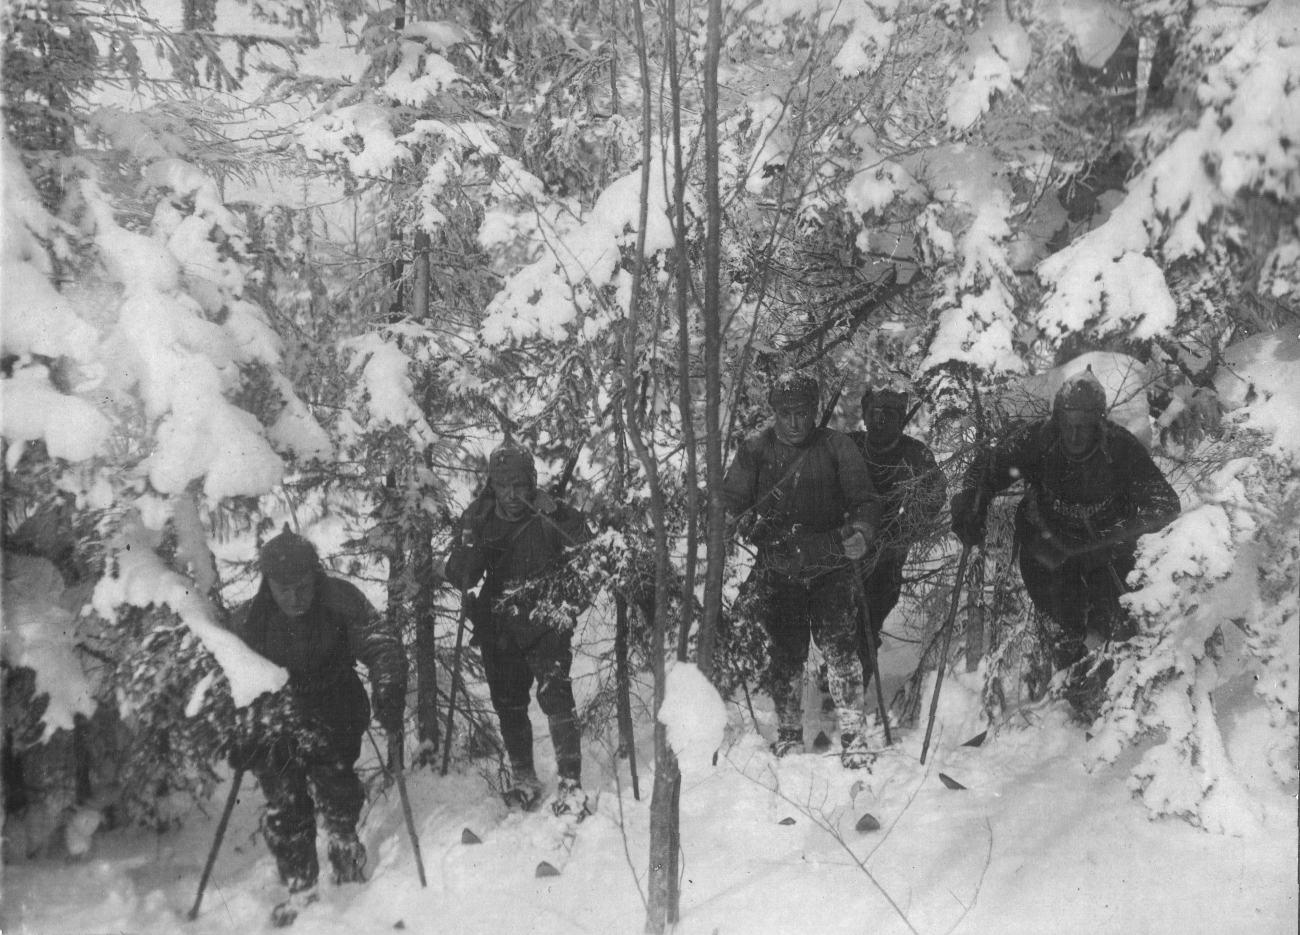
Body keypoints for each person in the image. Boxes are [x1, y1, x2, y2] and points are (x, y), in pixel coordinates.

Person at [948, 368, 1180, 716]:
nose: (1073, 434)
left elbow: (1164, 504)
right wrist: (971, 503)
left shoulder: (1120, 447)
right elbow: (989, 468)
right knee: (1063, 627)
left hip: (1105, 545)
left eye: (1083, 425)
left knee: (1122, 626)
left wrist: (1114, 540)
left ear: (1099, 422)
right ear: (1056, 416)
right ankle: (1076, 701)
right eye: (1067, 422)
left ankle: (1125, 705)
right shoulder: (1037, 439)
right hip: (1049, 543)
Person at [230, 526, 407, 927]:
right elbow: (231, 674)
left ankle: (345, 844)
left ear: (316, 575)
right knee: (285, 803)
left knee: (336, 785)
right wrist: (241, 727)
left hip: (335, 705)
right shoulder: (250, 620)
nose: (294, 597)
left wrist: (389, 684)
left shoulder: (340, 600)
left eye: (302, 585)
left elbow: (379, 640)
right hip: (280, 715)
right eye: (283, 588)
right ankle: (301, 886)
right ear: (268, 584)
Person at [722, 372, 882, 768]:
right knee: (786, 653)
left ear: (814, 410)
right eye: (786, 413)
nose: (794, 422)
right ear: (774, 412)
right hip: (779, 568)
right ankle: (790, 733)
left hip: (831, 564)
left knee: (843, 651)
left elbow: (864, 498)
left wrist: (861, 532)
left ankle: (853, 734)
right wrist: (724, 524)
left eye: (803, 412)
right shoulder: (755, 451)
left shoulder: (837, 447)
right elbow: (730, 499)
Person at [434, 444, 593, 817]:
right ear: (492, 485)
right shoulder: (481, 517)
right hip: (499, 623)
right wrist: (467, 541)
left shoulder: (554, 515)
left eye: (518, 485)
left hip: (544, 620)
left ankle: (570, 782)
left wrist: (565, 609)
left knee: (555, 695)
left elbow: (590, 564)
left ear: (532, 482)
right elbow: (466, 574)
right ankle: (524, 777)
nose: (511, 494)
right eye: (502, 486)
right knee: (507, 701)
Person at [847, 387, 946, 688]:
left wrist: (903, 531)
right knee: (841, 619)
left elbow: (935, 493)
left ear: (901, 419)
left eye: (889, 415)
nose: (879, 421)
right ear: (863, 415)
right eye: (874, 413)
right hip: (845, 546)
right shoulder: (848, 445)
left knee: (870, 617)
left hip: (886, 553)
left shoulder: (915, 453)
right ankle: (843, 670)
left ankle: (857, 678)